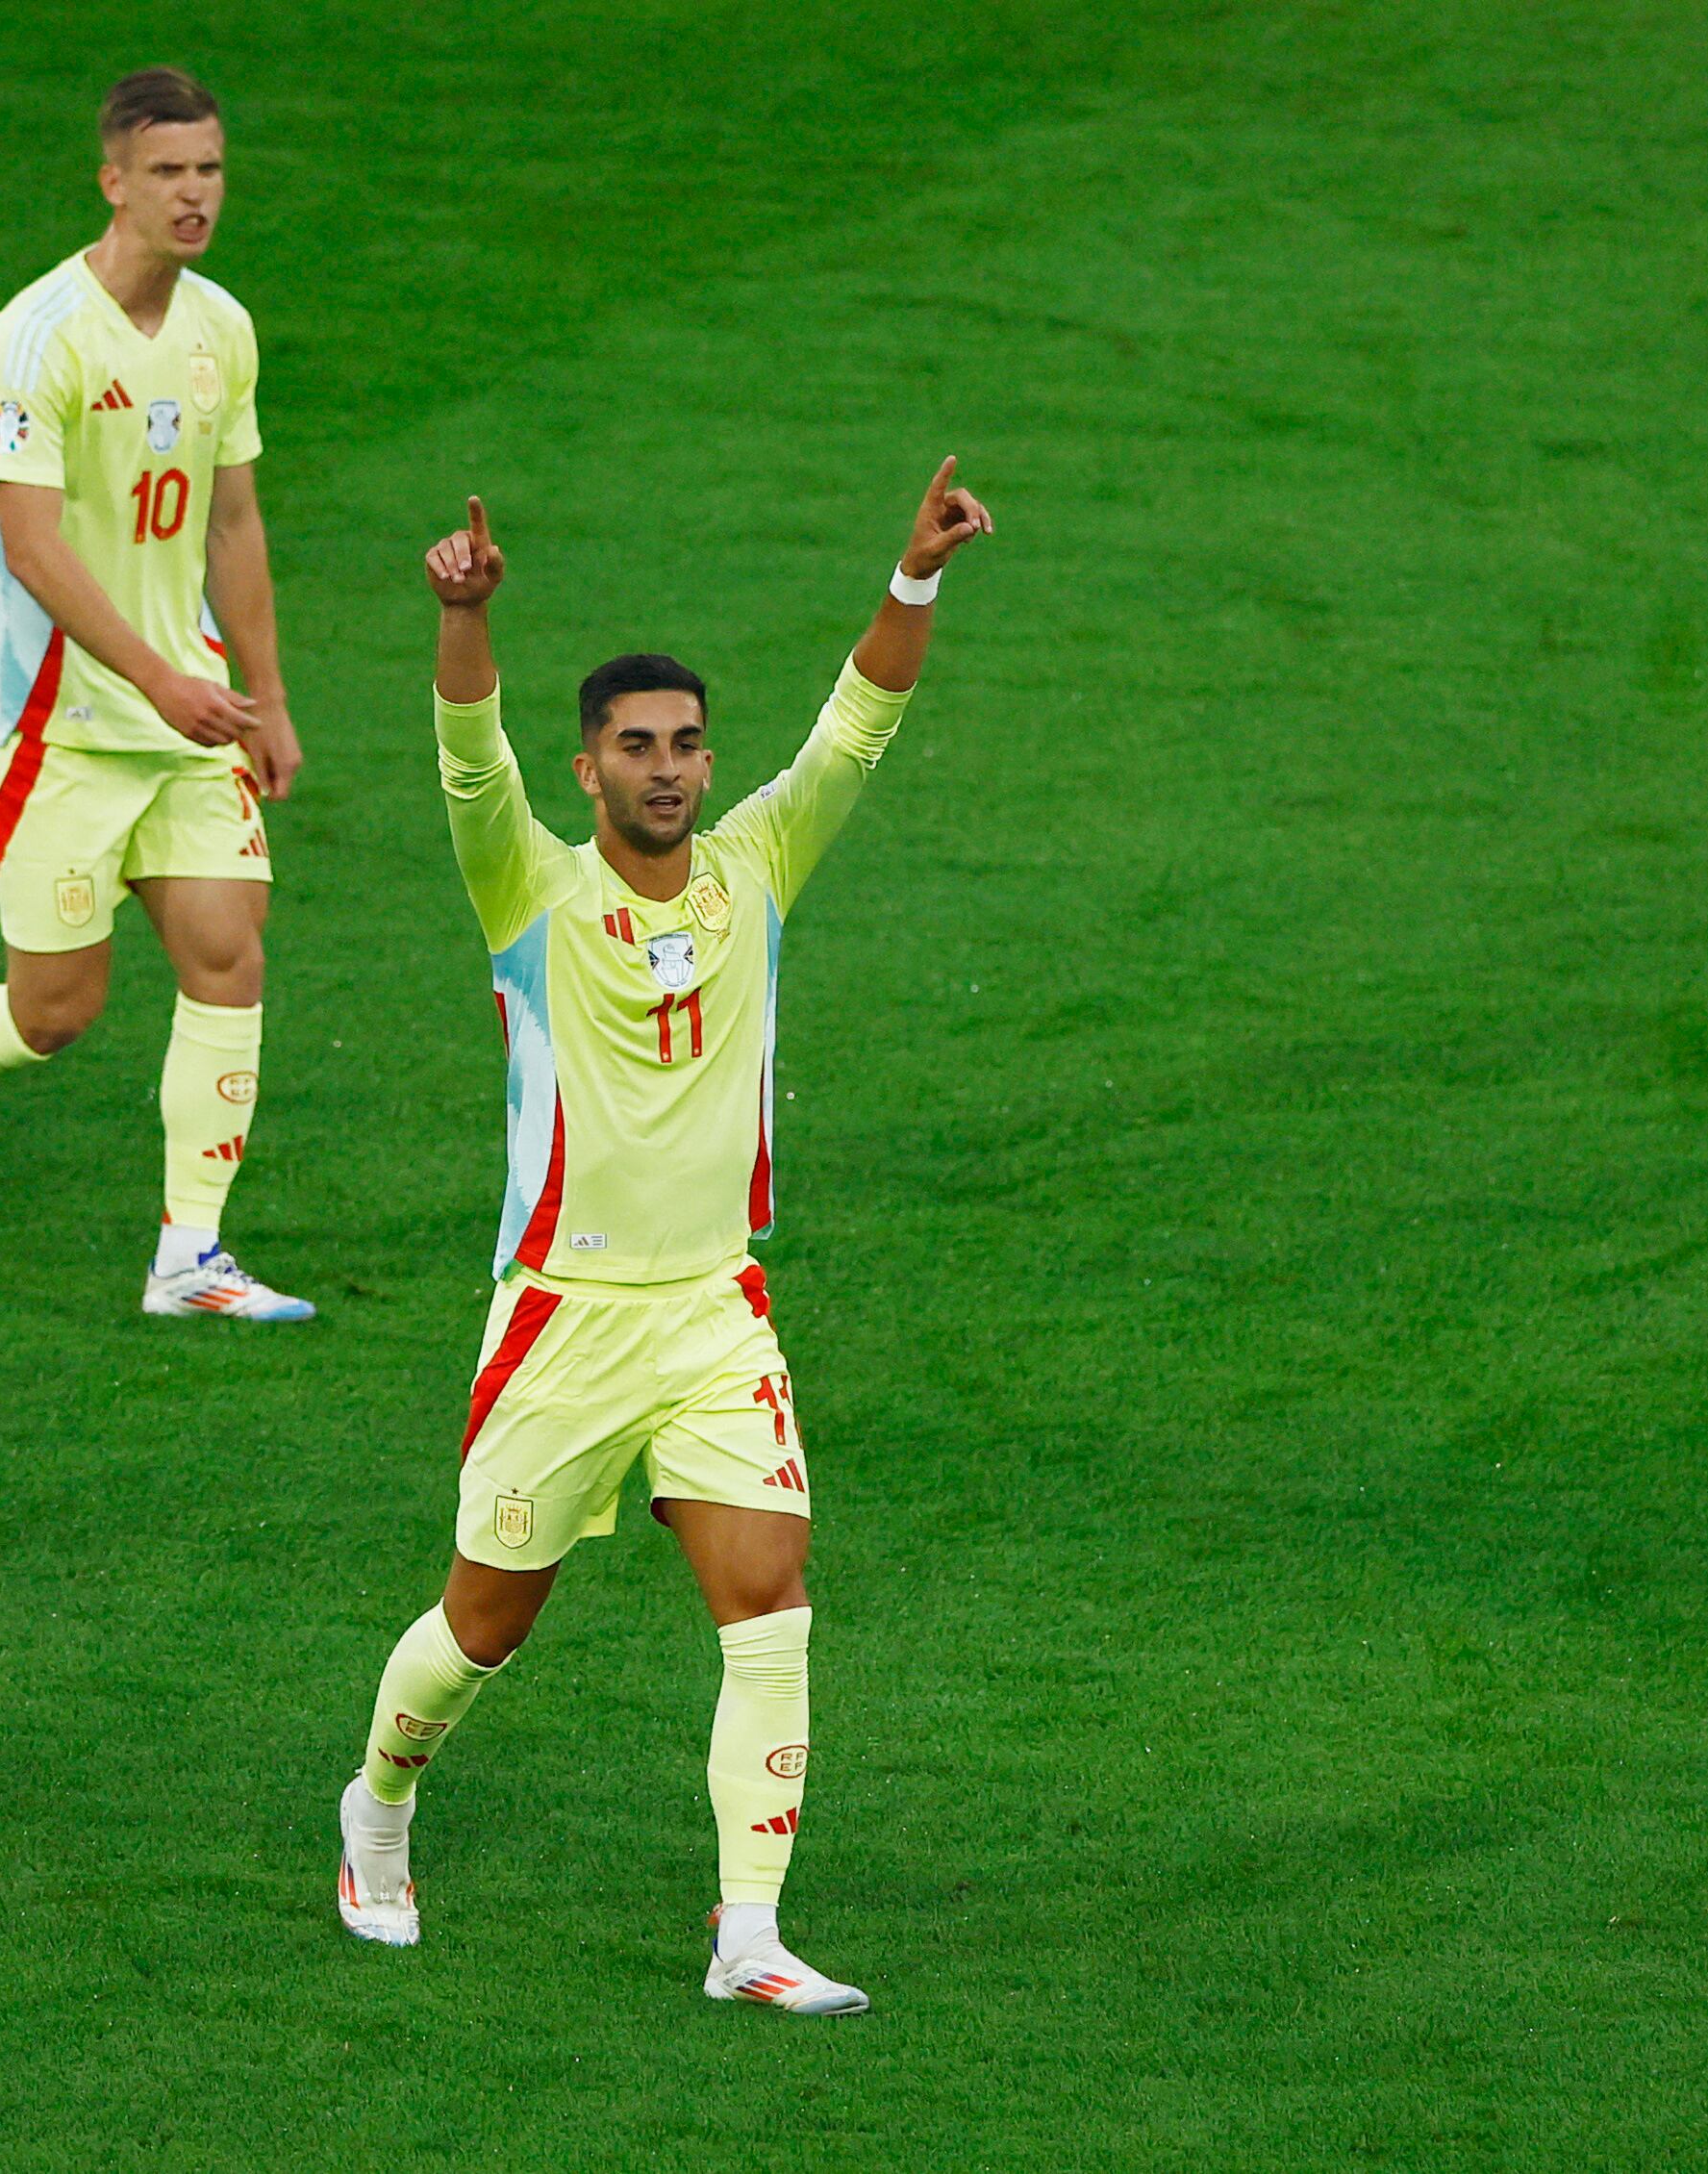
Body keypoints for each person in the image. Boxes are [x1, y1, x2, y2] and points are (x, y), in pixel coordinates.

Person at [333, 464, 993, 2011]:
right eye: (640, 747)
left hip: (713, 1312)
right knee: (483, 1625)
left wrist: (913, 577)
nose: (674, 769)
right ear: (587, 768)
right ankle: (378, 1806)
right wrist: (463, 620)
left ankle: (746, 1936)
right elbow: (466, 768)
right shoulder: (531, 891)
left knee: (770, 1599)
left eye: (690, 743)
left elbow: (857, 730)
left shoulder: (760, 867)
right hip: (562, 1318)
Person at [0, 66, 312, 1321]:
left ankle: (188, 1257)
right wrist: (161, 681)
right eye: (168, 172)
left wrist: (264, 693)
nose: (195, 193)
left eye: (209, 168)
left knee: (229, 954)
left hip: (192, 713)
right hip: (69, 729)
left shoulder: (223, 328)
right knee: (55, 1011)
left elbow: (235, 519)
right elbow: (32, 547)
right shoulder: (39, 335)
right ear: (114, 182)